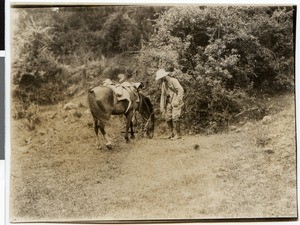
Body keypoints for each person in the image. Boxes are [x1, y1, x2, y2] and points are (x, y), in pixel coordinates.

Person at [155, 68, 184, 139]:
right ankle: (171, 134)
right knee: (168, 117)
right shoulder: (164, 84)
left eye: (161, 78)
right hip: (170, 102)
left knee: (175, 117)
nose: (160, 80)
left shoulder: (174, 80)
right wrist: (162, 106)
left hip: (176, 101)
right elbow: (163, 95)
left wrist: (178, 100)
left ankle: (178, 134)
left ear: (164, 76)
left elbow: (181, 90)